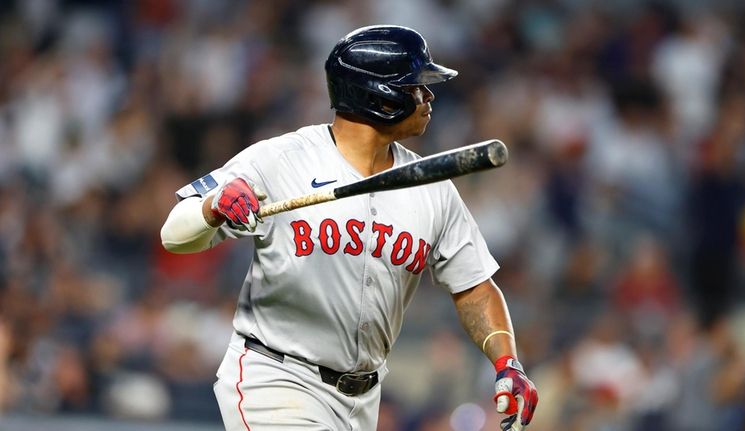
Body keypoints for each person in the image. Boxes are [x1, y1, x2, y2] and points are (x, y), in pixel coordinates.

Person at [160, 25, 537, 431]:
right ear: (379, 96)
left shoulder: (431, 187)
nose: (428, 97)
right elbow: (173, 235)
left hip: (362, 400)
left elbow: (474, 285)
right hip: (276, 380)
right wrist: (214, 208)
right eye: (415, 86)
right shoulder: (280, 160)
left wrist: (506, 361)